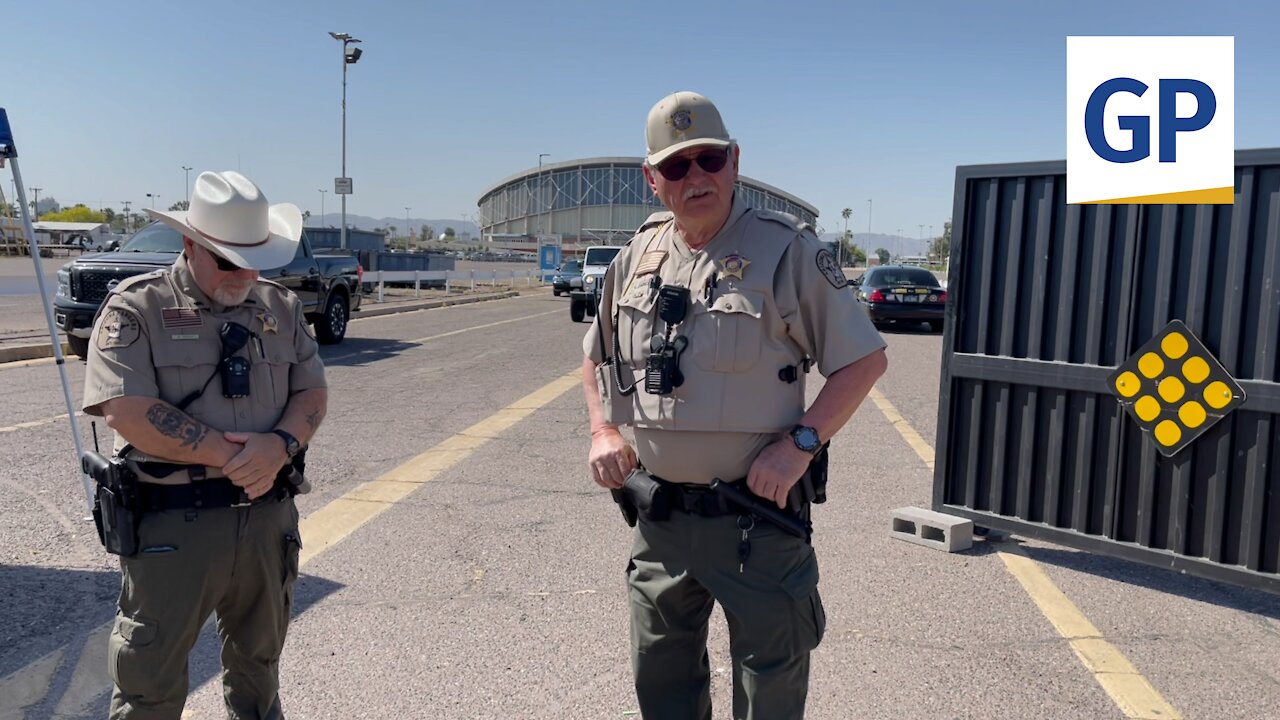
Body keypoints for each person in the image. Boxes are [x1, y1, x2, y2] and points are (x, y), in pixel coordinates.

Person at [582, 91, 889, 719]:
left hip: (757, 523)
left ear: (734, 161)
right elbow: (594, 356)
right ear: (653, 180)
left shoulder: (787, 251)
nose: (696, 177)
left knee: (769, 695)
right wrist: (601, 430)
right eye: (677, 166)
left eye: (709, 159)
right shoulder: (636, 257)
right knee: (661, 688)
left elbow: (863, 360)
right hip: (660, 521)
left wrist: (802, 443)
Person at [82, 170, 328, 719]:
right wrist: (238, 457)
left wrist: (282, 444)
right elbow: (127, 410)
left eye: (254, 258)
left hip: (267, 521)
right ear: (190, 245)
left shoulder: (281, 309)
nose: (244, 273)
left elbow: (312, 391)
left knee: (258, 673)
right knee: (150, 684)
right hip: (175, 530)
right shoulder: (137, 309)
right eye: (227, 259)